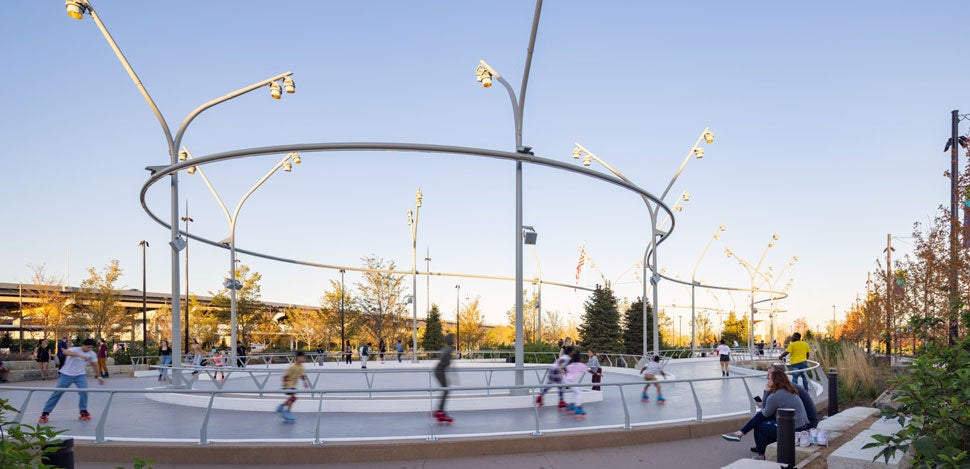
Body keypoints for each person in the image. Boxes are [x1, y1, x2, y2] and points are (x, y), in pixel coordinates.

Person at [721, 367, 809, 460]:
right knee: (764, 422)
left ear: (776, 381)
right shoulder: (789, 390)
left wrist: (766, 391)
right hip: (802, 426)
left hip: (792, 430)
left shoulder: (775, 395)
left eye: (770, 378)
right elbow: (769, 410)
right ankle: (742, 434)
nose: (767, 380)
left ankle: (760, 454)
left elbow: (764, 412)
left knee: (759, 425)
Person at [38, 338, 105, 423]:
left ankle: (83, 411)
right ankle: (45, 412)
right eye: (88, 347)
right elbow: (65, 352)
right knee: (57, 393)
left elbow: (95, 365)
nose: (89, 349)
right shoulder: (74, 349)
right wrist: (79, 355)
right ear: (83, 345)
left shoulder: (92, 354)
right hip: (66, 374)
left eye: (91, 347)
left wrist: (99, 376)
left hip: (80, 375)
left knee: (84, 392)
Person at [276, 351, 310, 422]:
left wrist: (304, 382)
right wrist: (284, 386)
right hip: (289, 384)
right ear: (298, 358)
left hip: (294, 385)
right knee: (293, 398)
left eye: (304, 358)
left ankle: (281, 406)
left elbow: (301, 375)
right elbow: (285, 376)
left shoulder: (301, 366)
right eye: (302, 357)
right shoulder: (292, 367)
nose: (303, 359)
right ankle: (287, 412)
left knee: (292, 398)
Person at [433, 334, 455, 423]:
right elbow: (444, 362)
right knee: (446, 390)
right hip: (439, 371)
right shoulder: (448, 350)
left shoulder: (446, 349)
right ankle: (440, 410)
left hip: (439, 371)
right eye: (453, 339)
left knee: (446, 390)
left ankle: (440, 410)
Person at [563, 348, 590, 418]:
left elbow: (565, 368)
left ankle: (571, 406)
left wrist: (566, 373)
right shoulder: (580, 365)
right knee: (578, 392)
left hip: (566, 380)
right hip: (571, 381)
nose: (582, 359)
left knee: (575, 392)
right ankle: (578, 408)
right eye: (581, 358)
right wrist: (597, 374)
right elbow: (590, 370)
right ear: (579, 359)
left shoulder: (572, 364)